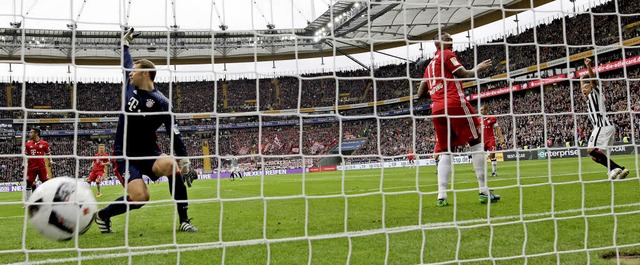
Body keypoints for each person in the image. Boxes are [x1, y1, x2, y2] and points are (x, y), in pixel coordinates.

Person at [94, 28, 199, 233]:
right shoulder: (129, 86)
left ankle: (184, 220)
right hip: (124, 154)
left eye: (134, 70)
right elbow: (126, 61)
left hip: (149, 153)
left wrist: (185, 160)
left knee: (171, 164)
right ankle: (103, 215)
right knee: (141, 198)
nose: (129, 72)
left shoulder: (162, 103)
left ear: (145, 73)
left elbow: (174, 133)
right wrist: (125, 45)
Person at [417, 32, 500, 207]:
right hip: (454, 103)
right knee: (476, 143)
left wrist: (437, 95)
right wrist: (478, 67)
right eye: (446, 39)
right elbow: (464, 74)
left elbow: (419, 94)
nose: (450, 40)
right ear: (438, 44)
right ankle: (484, 191)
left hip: (437, 108)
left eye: (450, 38)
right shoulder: (447, 54)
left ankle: (441, 196)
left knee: (446, 151)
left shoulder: (429, 66)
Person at [581, 57, 629, 180]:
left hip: (601, 126)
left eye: (586, 88)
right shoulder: (589, 98)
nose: (583, 91)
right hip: (607, 127)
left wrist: (588, 67)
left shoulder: (596, 92)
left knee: (590, 150)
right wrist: (581, 80)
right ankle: (621, 170)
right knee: (596, 157)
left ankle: (615, 169)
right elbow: (584, 90)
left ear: (591, 87)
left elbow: (592, 82)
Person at [24, 128, 51, 201]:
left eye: (31, 132)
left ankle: (47, 200)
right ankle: (28, 202)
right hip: (31, 168)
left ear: (36, 133)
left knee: (46, 184)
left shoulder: (44, 143)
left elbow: (48, 154)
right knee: (28, 184)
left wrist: (50, 161)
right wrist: (24, 164)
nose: (30, 134)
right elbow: (25, 155)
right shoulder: (28, 144)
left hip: (41, 167)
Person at [480, 105, 506, 177]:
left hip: (490, 139)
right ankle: (481, 172)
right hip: (482, 141)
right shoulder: (479, 120)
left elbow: (498, 129)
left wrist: (502, 141)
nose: (481, 111)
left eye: (482, 110)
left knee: (492, 156)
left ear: (486, 110)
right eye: (480, 110)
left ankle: (494, 172)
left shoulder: (492, 118)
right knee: (479, 156)